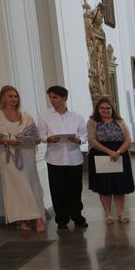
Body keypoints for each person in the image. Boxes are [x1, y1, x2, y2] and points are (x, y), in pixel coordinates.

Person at [0, 85, 45, 232]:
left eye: (15, 96)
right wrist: (7, 141)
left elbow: (36, 137)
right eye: (10, 96)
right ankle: (31, 217)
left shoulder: (25, 115)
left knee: (30, 184)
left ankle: (32, 217)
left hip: (26, 154)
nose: (13, 99)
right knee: (18, 186)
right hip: (8, 156)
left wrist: (30, 139)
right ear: (2, 97)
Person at [38, 85, 87, 229]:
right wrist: (48, 139)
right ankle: (61, 219)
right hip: (54, 158)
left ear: (64, 98)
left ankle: (77, 216)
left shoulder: (77, 116)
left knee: (75, 189)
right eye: (50, 97)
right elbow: (41, 134)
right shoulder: (44, 115)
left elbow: (83, 135)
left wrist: (78, 140)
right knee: (57, 190)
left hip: (74, 158)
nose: (52, 100)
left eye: (55, 97)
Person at [87, 97, 134, 224]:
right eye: (102, 108)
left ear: (112, 109)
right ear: (98, 109)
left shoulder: (120, 121)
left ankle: (121, 213)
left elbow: (128, 139)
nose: (105, 110)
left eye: (108, 108)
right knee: (104, 187)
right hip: (100, 155)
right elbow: (92, 140)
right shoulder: (92, 122)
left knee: (120, 186)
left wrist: (118, 152)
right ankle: (108, 214)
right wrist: (109, 152)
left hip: (120, 155)